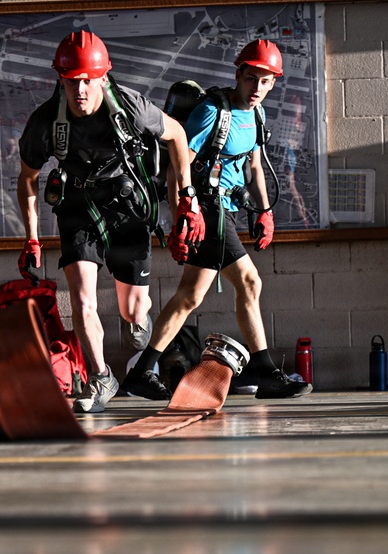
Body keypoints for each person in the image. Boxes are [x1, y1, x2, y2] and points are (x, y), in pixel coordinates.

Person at [16, 31, 204, 414]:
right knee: (82, 299)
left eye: (88, 79)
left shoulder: (131, 108)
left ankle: (138, 322)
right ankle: (102, 378)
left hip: (125, 203)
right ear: (61, 80)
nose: (80, 89)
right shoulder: (46, 122)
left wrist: (188, 197)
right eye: (72, 81)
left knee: (133, 312)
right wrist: (31, 237)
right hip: (78, 205)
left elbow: (178, 135)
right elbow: (28, 178)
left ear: (102, 77)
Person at [121, 39, 312, 400]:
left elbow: (255, 165)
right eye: (251, 78)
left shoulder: (257, 114)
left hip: (225, 209)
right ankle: (266, 370)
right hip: (207, 208)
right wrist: (184, 211)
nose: (257, 88)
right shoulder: (212, 111)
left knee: (189, 296)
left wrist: (266, 211)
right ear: (238, 74)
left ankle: (143, 371)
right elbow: (181, 163)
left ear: (274, 84)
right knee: (249, 282)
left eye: (266, 82)